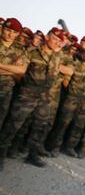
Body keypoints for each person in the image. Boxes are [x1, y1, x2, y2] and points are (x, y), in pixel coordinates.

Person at [0, 27, 72, 170]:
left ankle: (32, 154)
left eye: (60, 40)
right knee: (13, 125)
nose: (58, 42)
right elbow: (21, 69)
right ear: (46, 37)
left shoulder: (58, 55)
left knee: (40, 127)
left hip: (45, 96)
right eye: (55, 39)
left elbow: (70, 70)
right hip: (27, 94)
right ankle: (1, 154)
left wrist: (60, 63)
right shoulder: (31, 52)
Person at [46, 46, 85, 157]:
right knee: (63, 123)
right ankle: (55, 147)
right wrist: (71, 90)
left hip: (84, 101)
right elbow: (66, 79)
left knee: (78, 126)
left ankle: (70, 147)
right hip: (72, 98)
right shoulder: (75, 64)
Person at [0, 18, 26, 130]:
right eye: (8, 30)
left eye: (14, 32)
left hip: (6, 91)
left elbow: (21, 70)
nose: (10, 34)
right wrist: (11, 70)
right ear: (2, 29)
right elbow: (16, 70)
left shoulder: (20, 49)